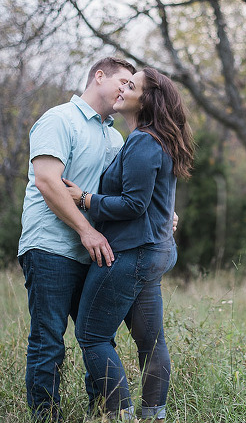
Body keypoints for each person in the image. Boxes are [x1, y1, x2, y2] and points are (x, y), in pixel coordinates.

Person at [62, 67, 194, 422]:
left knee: (91, 335)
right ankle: (154, 416)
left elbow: (134, 204)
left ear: (146, 100)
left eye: (131, 86)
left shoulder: (143, 141)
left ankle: (120, 415)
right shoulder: (153, 140)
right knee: (150, 342)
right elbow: (152, 202)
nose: (123, 88)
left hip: (134, 253)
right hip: (154, 251)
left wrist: (85, 199)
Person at [17, 57, 137, 422]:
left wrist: (163, 215)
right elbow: (48, 181)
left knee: (98, 338)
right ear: (98, 76)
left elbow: (121, 194)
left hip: (95, 252)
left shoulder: (114, 136)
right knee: (48, 340)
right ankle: (45, 417)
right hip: (50, 246)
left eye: (132, 85)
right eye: (122, 80)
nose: (126, 89)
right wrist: (86, 230)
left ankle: (101, 414)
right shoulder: (59, 119)